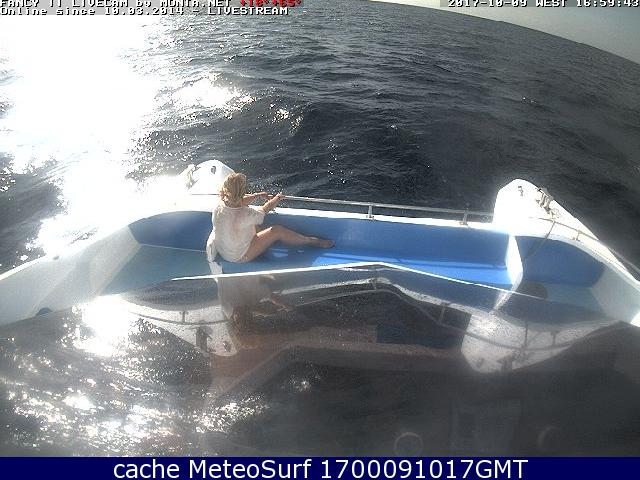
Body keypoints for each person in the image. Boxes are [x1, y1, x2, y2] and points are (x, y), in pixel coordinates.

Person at [209, 172, 333, 263]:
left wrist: (257, 195)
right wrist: (277, 198)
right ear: (241, 193)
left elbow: (236, 202)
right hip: (239, 257)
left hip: (224, 252)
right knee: (276, 230)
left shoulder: (218, 207)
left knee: (253, 225)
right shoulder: (246, 214)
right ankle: (311, 241)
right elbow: (265, 209)